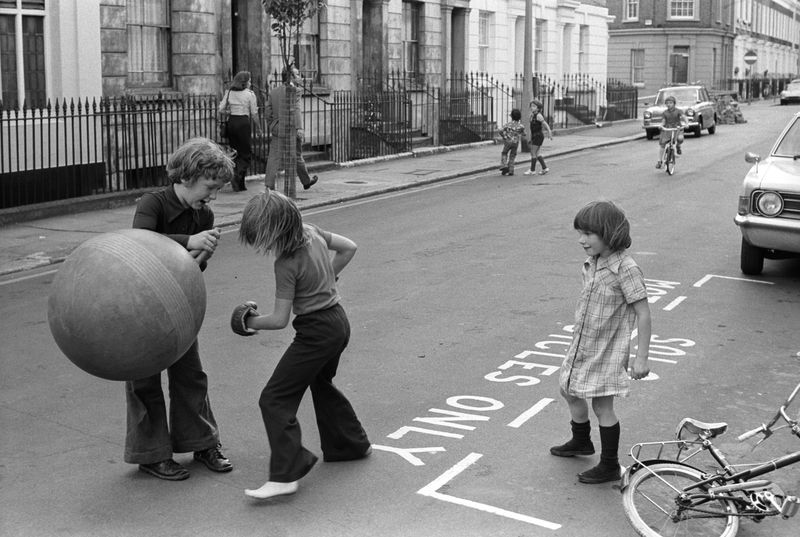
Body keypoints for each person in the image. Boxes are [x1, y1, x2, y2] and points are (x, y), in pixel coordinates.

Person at [230, 190, 370, 499]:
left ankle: (286, 473)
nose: (260, 245)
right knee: (320, 382)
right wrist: (325, 281)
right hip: (338, 321)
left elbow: (280, 319)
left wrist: (248, 322)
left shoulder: (286, 263)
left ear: (273, 231)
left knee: (274, 398)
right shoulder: (313, 231)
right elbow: (349, 248)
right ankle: (350, 444)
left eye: (260, 237)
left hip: (316, 331)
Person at [126, 137, 235, 481]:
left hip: (178, 307)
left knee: (191, 375)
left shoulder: (203, 213)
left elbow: (190, 270)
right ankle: (152, 454)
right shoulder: (152, 203)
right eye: (210, 186)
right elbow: (141, 245)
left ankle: (203, 443)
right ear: (189, 175)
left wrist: (201, 258)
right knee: (143, 381)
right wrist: (189, 242)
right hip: (140, 309)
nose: (212, 196)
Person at [551, 200, 651, 484]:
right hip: (583, 343)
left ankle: (609, 465)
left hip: (608, 349)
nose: (581, 240)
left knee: (602, 407)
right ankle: (581, 441)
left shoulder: (626, 269)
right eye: (579, 233)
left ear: (608, 233)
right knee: (568, 389)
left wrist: (641, 357)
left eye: (588, 234)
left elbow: (643, 313)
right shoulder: (592, 263)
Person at [264, 64, 318, 191]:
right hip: (292, 128)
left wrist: (272, 125)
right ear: (291, 77)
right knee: (297, 155)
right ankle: (306, 181)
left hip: (277, 128)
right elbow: (296, 110)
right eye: (297, 74)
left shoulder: (273, 92)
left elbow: (267, 112)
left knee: (274, 157)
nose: (299, 76)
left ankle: (269, 185)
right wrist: (299, 128)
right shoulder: (296, 91)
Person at [220, 71, 261, 191]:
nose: (250, 82)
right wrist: (258, 127)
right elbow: (254, 113)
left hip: (232, 122)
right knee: (246, 154)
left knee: (235, 152)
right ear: (245, 82)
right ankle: (237, 175)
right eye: (249, 80)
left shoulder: (229, 92)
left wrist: (230, 112)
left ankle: (240, 184)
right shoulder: (250, 94)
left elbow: (221, 109)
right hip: (243, 123)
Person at [655, 95, 686, 169]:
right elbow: (663, 121)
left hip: (677, 128)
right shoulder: (665, 113)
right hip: (667, 129)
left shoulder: (678, 111)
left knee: (680, 139)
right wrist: (661, 125)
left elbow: (684, 117)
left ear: (674, 103)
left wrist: (687, 123)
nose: (669, 104)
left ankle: (678, 146)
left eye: (670, 103)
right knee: (662, 144)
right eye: (667, 103)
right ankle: (659, 161)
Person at [524, 99, 553, 176]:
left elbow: (545, 124)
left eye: (534, 106)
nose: (532, 107)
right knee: (537, 153)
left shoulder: (538, 115)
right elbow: (532, 128)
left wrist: (549, 132)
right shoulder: (532, 115)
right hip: (535, 136)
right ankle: (544, 168)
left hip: (538, 136)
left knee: (533, 153)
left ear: (538, 108)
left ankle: (532, 170)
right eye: (531, 106)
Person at [498, 108, 526, 176]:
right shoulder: (521, 126)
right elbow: (524, 134)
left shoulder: (508, 124)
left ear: (511, 116)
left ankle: (504, 165)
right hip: (515, 142)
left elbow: (500, 130)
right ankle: (511, 170)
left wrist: (504, 136)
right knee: (512, 156)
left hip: (508, 141)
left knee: (504, 153)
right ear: (519, 117)